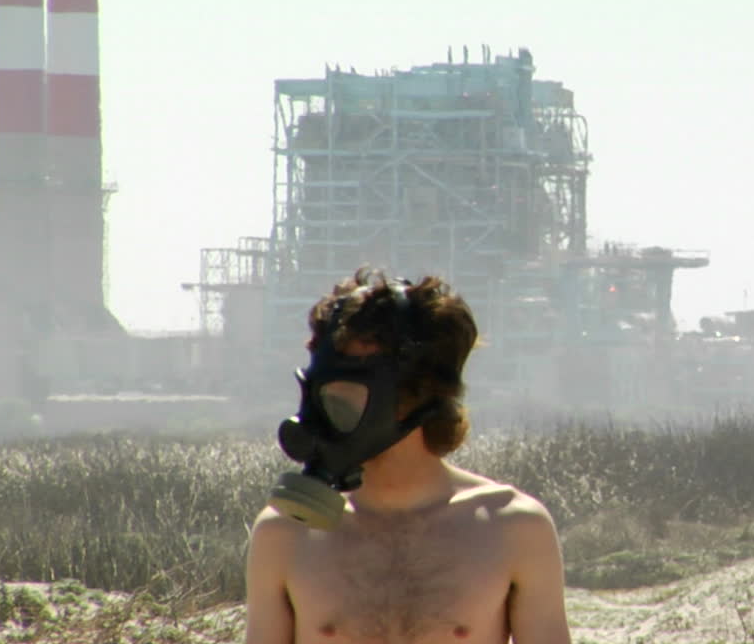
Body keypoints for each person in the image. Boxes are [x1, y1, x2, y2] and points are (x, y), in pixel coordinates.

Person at [244, 269, 571, 644]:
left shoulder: (514, 528)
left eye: (343, 390)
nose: (321, 409)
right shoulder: (285, 534)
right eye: (319, 389)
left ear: (415, 394)